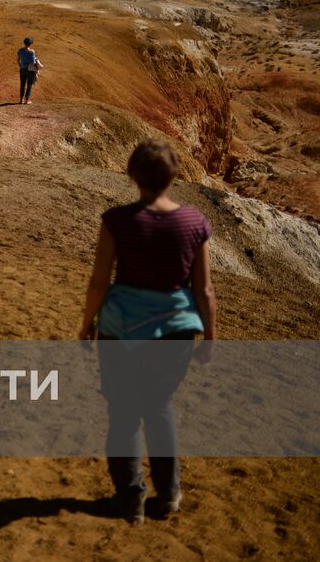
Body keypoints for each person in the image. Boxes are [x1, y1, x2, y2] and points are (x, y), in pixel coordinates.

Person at [77, 140, 217, 524]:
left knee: (122, 415)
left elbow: (99, 283)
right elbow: (204, 289)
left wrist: (87, 323)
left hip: (121, 330)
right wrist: (211, 335)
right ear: (173, 176)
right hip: (176, 332)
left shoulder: (117, 221)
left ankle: (130, 498)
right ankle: (169, 494)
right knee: (160, 409)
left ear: (132, 175)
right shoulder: (194, 222)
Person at [17, 36, 42, 104]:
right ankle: (26, 100)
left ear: (24, 43)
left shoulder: (20, 50)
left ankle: (21, 100)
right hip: (30, 70)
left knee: (22, 84)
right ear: (30, 44)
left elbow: (18, 60)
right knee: (29, 85)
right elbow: (33, 62)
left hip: (22, 69)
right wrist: (36, 67)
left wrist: (21, 66)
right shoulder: (32, 52)